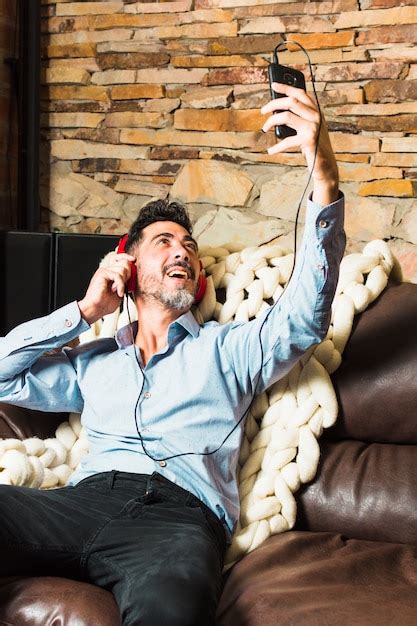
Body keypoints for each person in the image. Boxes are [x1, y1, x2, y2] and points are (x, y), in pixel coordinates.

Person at [0, 81, 345, 625]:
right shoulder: (92, 361)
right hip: (81, 503)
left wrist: (322, 175)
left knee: (174, 611)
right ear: (128, 264)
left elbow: (303, 319)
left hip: (177, 521)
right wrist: (84, 312)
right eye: (164, 241)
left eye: (189, 247)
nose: (182, 250)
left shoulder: (229, 349)